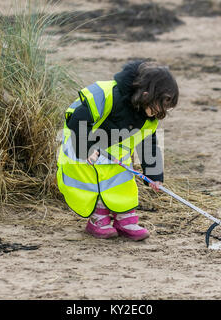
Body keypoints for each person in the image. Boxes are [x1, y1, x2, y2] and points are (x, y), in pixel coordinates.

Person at [57, 60, 179, 241]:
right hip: (81, 144)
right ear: (146, 95)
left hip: (113, 156)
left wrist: (154, 175)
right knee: (94, 184)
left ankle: (126, 221)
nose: (161, 112)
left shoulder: (148, 116)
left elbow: (148, 143)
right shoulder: (107, 95)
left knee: (121, 184)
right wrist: (87, 148)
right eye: (160, 105)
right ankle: (98, 220)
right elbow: (77, 120)